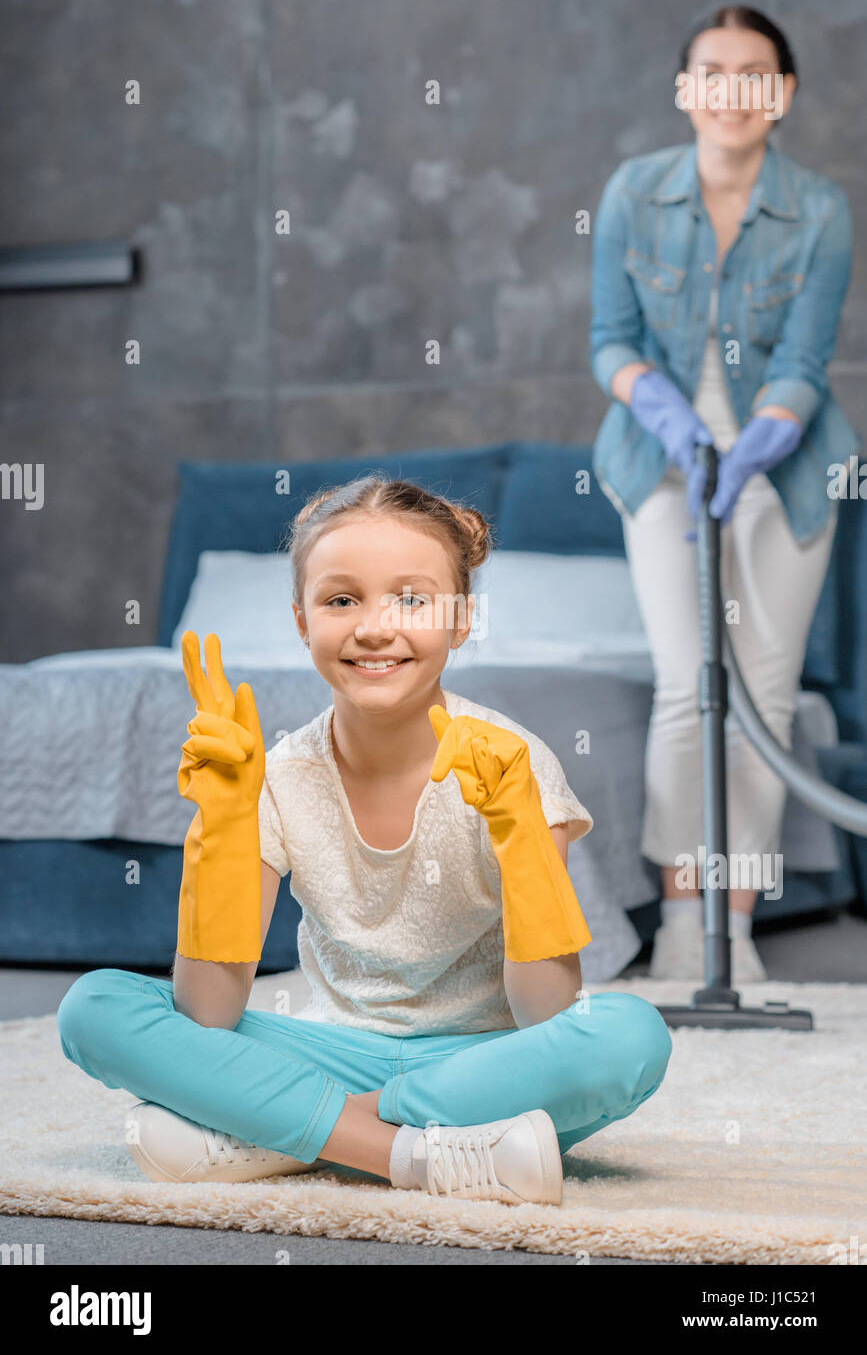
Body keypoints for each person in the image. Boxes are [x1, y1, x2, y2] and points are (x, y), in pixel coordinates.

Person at [56, 475, 672, 1208]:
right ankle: (416, 1154)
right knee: (95, 1008)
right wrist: (223, 826)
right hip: (333, 1050)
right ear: (299, 619)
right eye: (341, 599)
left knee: (628, 1035)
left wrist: (523, 846)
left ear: (461, 618)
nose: (374, 627)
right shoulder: (277, 774)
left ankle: (281, 1131)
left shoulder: (516, 762)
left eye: (411, 599)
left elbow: (545, 1017)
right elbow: (209, 1017)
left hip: (481, 1058)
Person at [590, 4, 857, 983]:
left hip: (781, 468)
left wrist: (756, 445)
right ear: (686, 89)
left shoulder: (820, 207)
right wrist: (664, 411)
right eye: (715, 70)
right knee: (687, 686)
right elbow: (607, 339)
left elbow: (805, 358)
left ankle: (734, 931)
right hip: (659, 464)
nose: (734, 90)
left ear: (780, 94)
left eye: (756, 73)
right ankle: (679, 923)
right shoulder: (632, 192)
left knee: (766, 698)